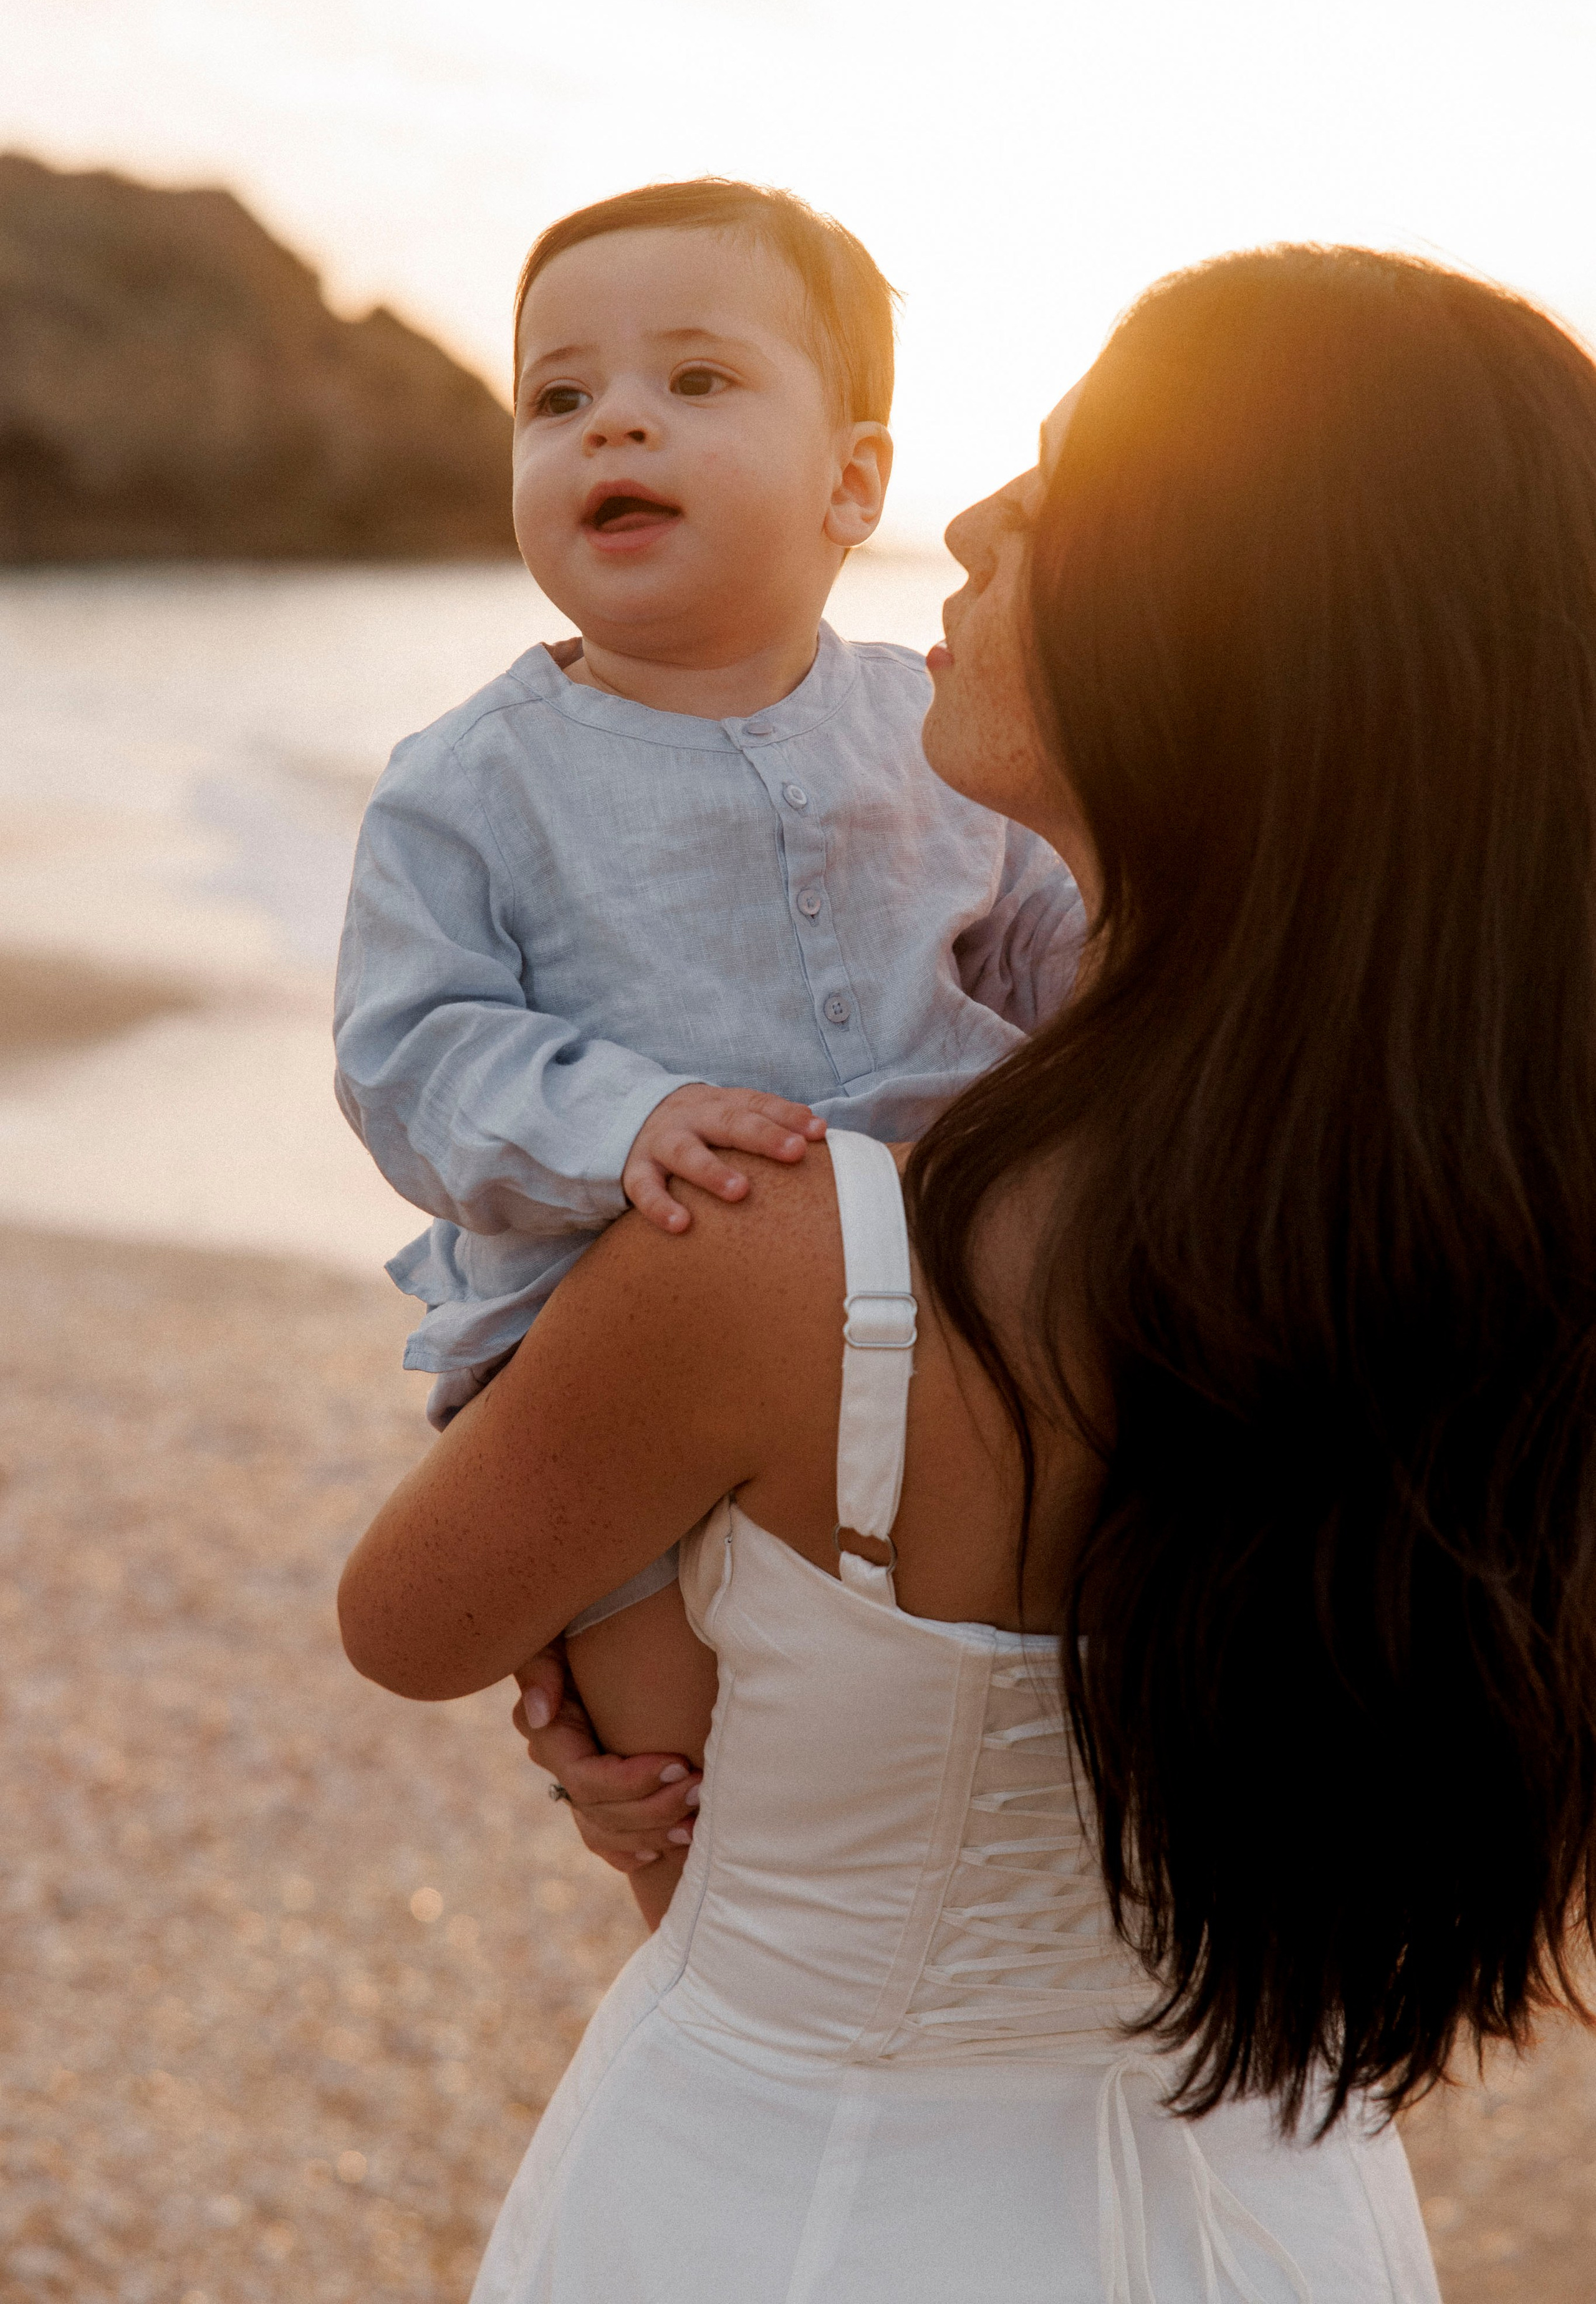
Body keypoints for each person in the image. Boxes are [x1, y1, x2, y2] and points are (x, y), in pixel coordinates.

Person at [339, 244, 1596, 2300]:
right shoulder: (1487, 1246)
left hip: (790, 2215)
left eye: (1070, 479)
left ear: (1239, 626)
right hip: (1280, 2211)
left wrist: (672, 1761)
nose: (985, 520)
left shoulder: (774, 1247)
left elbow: (406, 1617)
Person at [332, 181, 1082, 1914]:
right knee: (692, 1794)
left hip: (946, 1280)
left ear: (855, 484)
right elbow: (415, 1051)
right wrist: (624, 1119)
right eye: (560, 397)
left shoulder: (931, 719)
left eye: (697, 380)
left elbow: (1050, 941)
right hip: (616, 1308)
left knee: (982, 1715)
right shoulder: (472, 781)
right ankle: (731, 1986)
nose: (619, 421)